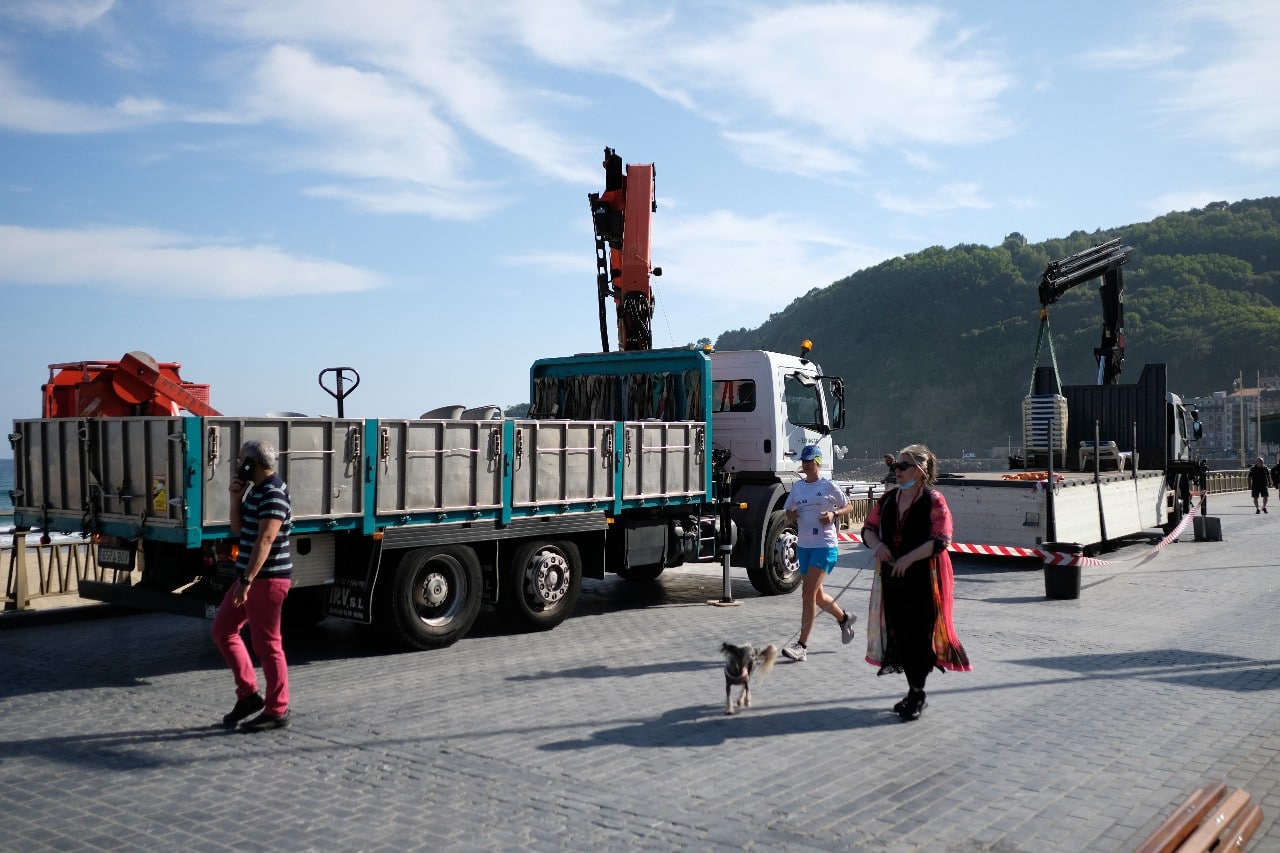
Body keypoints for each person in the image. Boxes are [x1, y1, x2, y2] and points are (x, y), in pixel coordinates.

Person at [860, 444, 971, 720]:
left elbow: (941, 539)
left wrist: (908, 558)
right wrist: (878, 546)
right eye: (895, 466)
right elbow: (868, 529)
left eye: (902, 466)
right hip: (892, 579)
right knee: (900, 634)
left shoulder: (933, 500)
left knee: (919, 636)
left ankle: (917, 693)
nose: (896, 471)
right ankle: (914, 691)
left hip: (924, 581)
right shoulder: (888, 500)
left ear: (920, 471)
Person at [212, 439, 294, 732]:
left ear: (252, 464)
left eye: (240, 460)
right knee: (223, 629)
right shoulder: (256, 490)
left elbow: (266, 539)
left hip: (267, 579)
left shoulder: (273, 493)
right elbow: (238, 529)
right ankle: (248, 695)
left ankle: (277, 709)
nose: (237, 465)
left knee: (267, 644)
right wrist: (235, 498)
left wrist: (246, 581)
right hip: (250, 578)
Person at [780, 444, 858, 662]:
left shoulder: (828, 485)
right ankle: (844, 618)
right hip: (804, 546)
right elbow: (788, 511)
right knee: (817, 596)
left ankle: (802, 646)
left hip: (824, 545)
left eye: (810, 462)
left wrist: (834, 514)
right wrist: (791, 514)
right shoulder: (798, 487)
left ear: (818, 463)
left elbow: (848, 506)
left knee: (807, 594)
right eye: (804, 462)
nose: (806, 465)